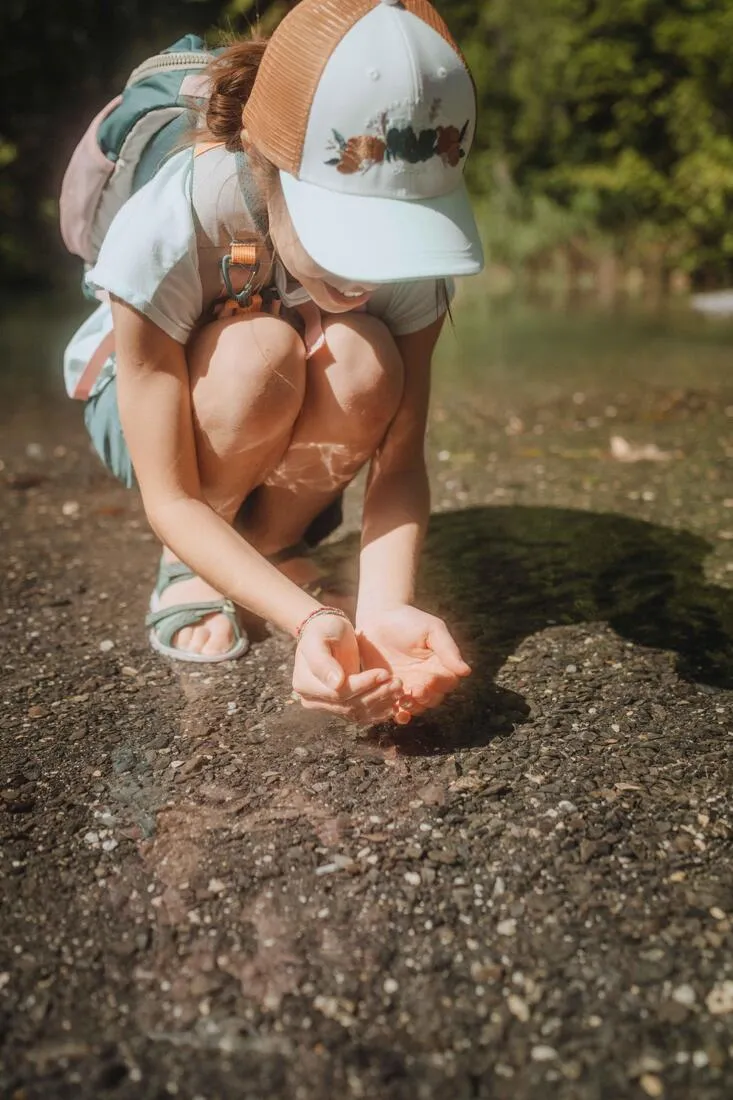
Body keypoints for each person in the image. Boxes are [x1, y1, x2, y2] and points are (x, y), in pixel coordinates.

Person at [63, 0, 484, 728]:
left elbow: (400, 465)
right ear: (266, 166)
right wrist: (303, 619)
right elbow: (170, 498)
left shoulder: (407, 242)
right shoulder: (166, 226)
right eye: (346, 235)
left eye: (394, 241)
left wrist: (381, 609)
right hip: (159, 414)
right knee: (260, 349)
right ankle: (196, 565)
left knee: (363, 355)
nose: (366, 278)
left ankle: (270, 543)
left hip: (269, 401)